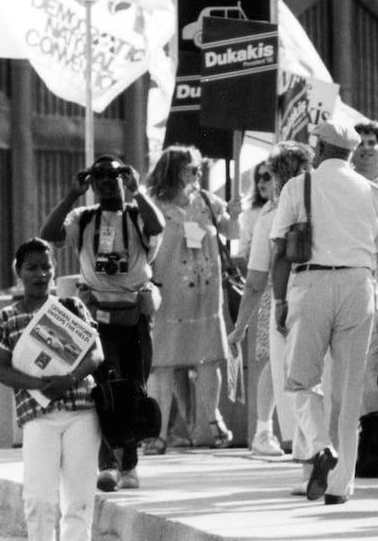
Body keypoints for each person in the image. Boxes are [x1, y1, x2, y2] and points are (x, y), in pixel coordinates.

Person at [269, 120, 378, 505]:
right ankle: (342, 486)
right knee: (348, 391)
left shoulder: (298, 186)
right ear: (349, 151)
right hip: (360, 287)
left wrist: (279, 301)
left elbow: (279, 251)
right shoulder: (372, 191)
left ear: (319, 147)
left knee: (301, 381)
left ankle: (322, 446)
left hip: (310, 285)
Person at [39, 154, 165, 492]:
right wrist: (71, 196)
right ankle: (108, 464)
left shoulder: (138, 215)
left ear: (125, 178)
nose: (106, 182)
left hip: (134, 313)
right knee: (106, 388)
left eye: (113, 175)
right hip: (97, 316)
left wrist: (138, 192)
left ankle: (130, 465)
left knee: (135, 386)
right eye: (99, 177)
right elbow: (47, 233)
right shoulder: (82, 218)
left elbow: (157, 228)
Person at [0, 239, 106, 541]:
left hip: (81, 413)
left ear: (54, 271)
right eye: (32, 268)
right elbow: (2, 370)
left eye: (46, 267)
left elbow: (96, 354)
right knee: (39, 500)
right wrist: (41, 386)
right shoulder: (7, 317)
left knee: (78, 501)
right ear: (19, 271)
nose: (40, 274)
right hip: (38, 416)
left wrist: (69, 378)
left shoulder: (71, 307)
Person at [142, 145, 236, 452]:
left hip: (206, 296)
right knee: (163, 365)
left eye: (198, 169)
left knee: (209, 359)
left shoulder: (206, 200)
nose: (197, 174)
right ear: (173, 170)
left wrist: (234, 213)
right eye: (191, 169)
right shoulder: (152, 203)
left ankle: (209, 423)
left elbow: (233, 232)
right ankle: (158, 432)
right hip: (166, 295)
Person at [228, 158, 288, 457]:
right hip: (272, 291)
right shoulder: (262, 212)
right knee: (270, 362)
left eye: (270, 176)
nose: (265, 182)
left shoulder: (279, 208)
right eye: (261, 177)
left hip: (287, 289)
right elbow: (252, 269)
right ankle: (264, 429)